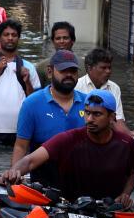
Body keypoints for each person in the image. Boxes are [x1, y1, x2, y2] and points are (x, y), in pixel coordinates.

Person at [4, 90, 134, 207]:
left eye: (97, 114)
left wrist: (125, 194)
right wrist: (14, 171)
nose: (89, 119)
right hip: (71, 208)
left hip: (108, 209)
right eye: (87, 113)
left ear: (112, 117)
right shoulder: (68, 139)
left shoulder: (126, 143)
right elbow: (30, 160)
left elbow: (132, 173)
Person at [12, 49, 87, 186]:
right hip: (43, 184)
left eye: (73, 71)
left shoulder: (88, 104)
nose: (69, 75)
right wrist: (15, 173)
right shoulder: (32, 104)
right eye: (64, 70)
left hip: (81, 182)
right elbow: (21, 146)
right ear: (49, 71)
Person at [0, 19, 39, 146]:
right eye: (6, 35)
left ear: (18, 38)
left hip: (21, 131)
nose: (10, 38)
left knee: (17, 165)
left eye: (14, 35)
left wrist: (27, 82)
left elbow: (35, 103)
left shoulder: (28, 67)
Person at [76, 47, 134, 139]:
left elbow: (117, 119)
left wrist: (129, 134)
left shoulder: (114, 88)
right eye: (103, 68)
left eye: (109, 68)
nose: (108, 71)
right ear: (89, 68)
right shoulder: (77, 86)